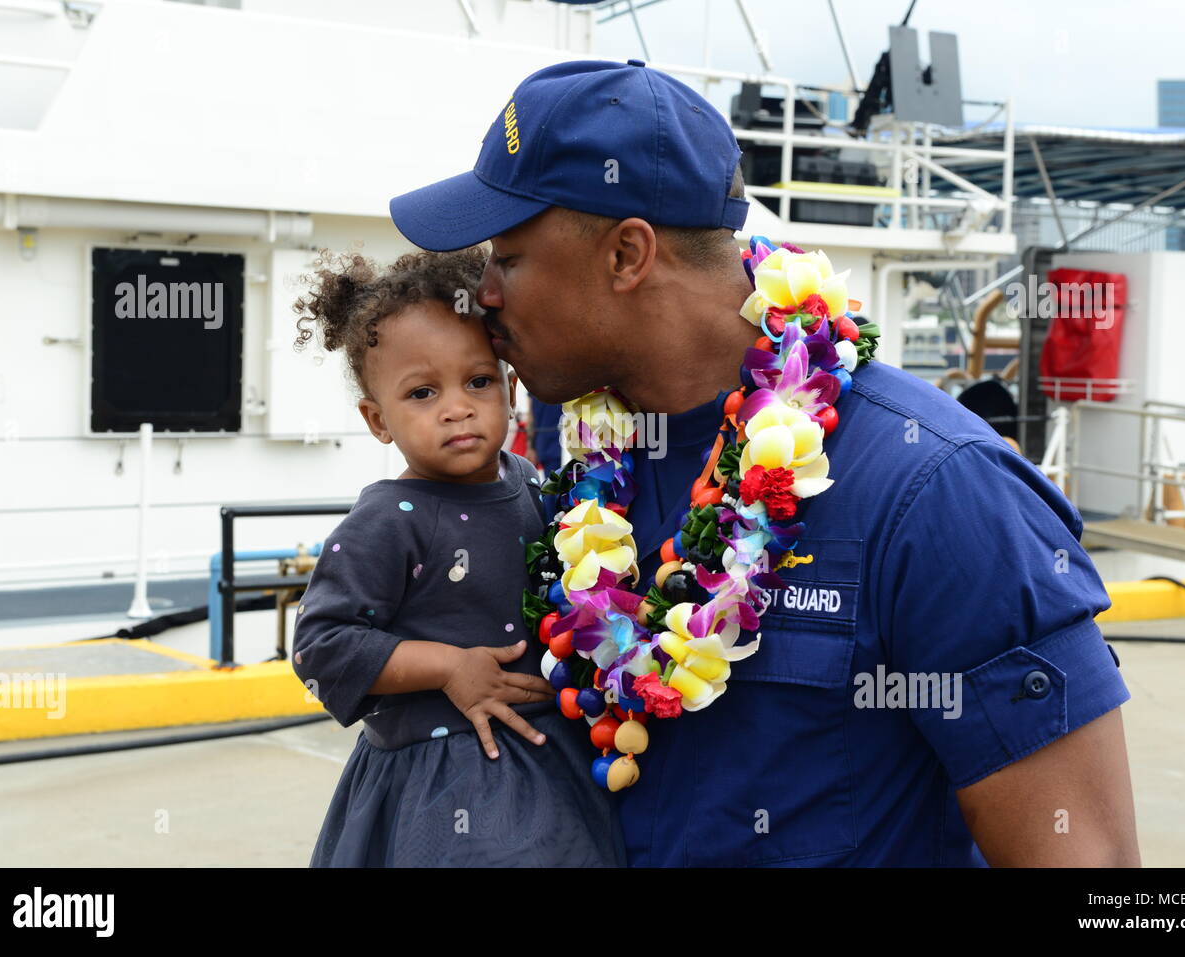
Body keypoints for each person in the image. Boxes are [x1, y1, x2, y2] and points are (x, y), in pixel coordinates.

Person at [386, 59, 1140, 867]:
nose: (483, 293)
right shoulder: (582, 483)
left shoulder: (939, 489)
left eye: (508, 257)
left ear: (626, 255)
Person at [288, 246, 624, 867]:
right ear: (376, 419)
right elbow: (319, 646)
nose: (456, 407)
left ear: (510, 386)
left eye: (477, 381)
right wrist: (448, 667)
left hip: (553, 761)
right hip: (440, 783)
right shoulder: (386, 521)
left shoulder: (529, 483)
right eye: (421, 393)